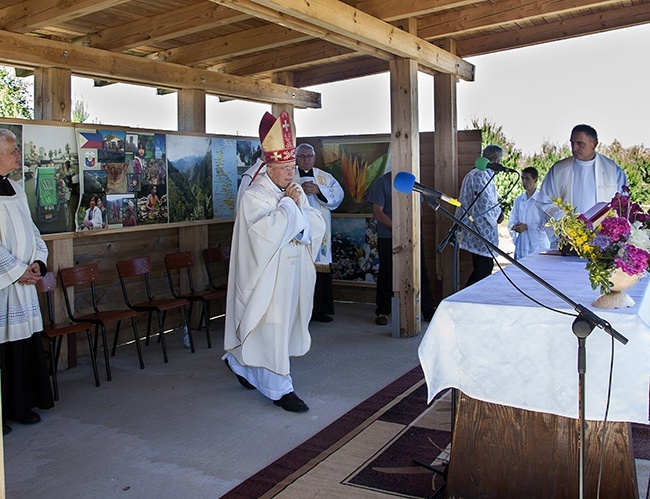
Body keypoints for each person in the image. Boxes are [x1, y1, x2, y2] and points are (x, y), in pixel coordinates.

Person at [223, 111, 325, 413]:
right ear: (268, 166)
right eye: (284, 168)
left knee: (274, 331)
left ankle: (240, 362)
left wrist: (297, 208)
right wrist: (292, 208)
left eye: (292, 167)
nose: (290, 174)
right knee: (270, 330)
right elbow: (264, 235)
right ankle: (280, 387)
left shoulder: (291, 191)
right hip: (267, 278)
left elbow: (315, 224)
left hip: (291, 274)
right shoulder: (255, 195)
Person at [0, 129, 54, 435]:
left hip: (24, 283)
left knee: (22, 348)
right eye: (12, 151)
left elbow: (32, 232)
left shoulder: (17, 188)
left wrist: (38, 264)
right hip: (5, 285)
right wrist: (16, 270)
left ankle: (22, 406)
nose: (18, 155)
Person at [366, 171, 437, 326]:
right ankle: (383, 311)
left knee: (420, 271)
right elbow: (378, 212)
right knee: (387, 272)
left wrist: (410, 230)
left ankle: (428, 309)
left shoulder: (412, 182)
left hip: (412, 235)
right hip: (388, 236)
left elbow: (420, 209)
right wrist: (398, 230)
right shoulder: (382, 182)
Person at [294, 143, 344, 322]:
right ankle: (297, 313)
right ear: (296, 158)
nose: (306, 159)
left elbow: (338, 194)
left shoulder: (324, 177)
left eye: (309, 156)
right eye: (302, 156)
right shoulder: (289, 176)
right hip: (297, 229)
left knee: (319, 266)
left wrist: (319, 190)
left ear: (314, 158)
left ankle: (319, 311)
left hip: (319, 230)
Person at [536, 124, 627, 219]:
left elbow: (623, 203)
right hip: (567, 231)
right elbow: (544, 200)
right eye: (572, 143)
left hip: (603, 231)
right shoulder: (558, 170)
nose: (574, 148)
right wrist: (564, 221)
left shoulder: (612, 171)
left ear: (595, 144)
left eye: (580, 144)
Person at [456, 145, 504, 286]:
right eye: (500, 160)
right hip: (478, 230)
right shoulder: (479, 174)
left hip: (481, 230)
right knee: (482, 271)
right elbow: (485, 202)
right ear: (495, 160)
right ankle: (465, 302)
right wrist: (499, 214)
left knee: (483, 269)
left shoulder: (483, 174)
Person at [508, 167, 550, 259]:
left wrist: (528, 227)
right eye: (522, 179)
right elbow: (513, 218)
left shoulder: (542, 199)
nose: (524, 182)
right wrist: (515, 226)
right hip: (522, 242)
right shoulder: (519, 200)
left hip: (537, 243)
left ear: (535, 180)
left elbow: (547, 223)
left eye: (527, 179)